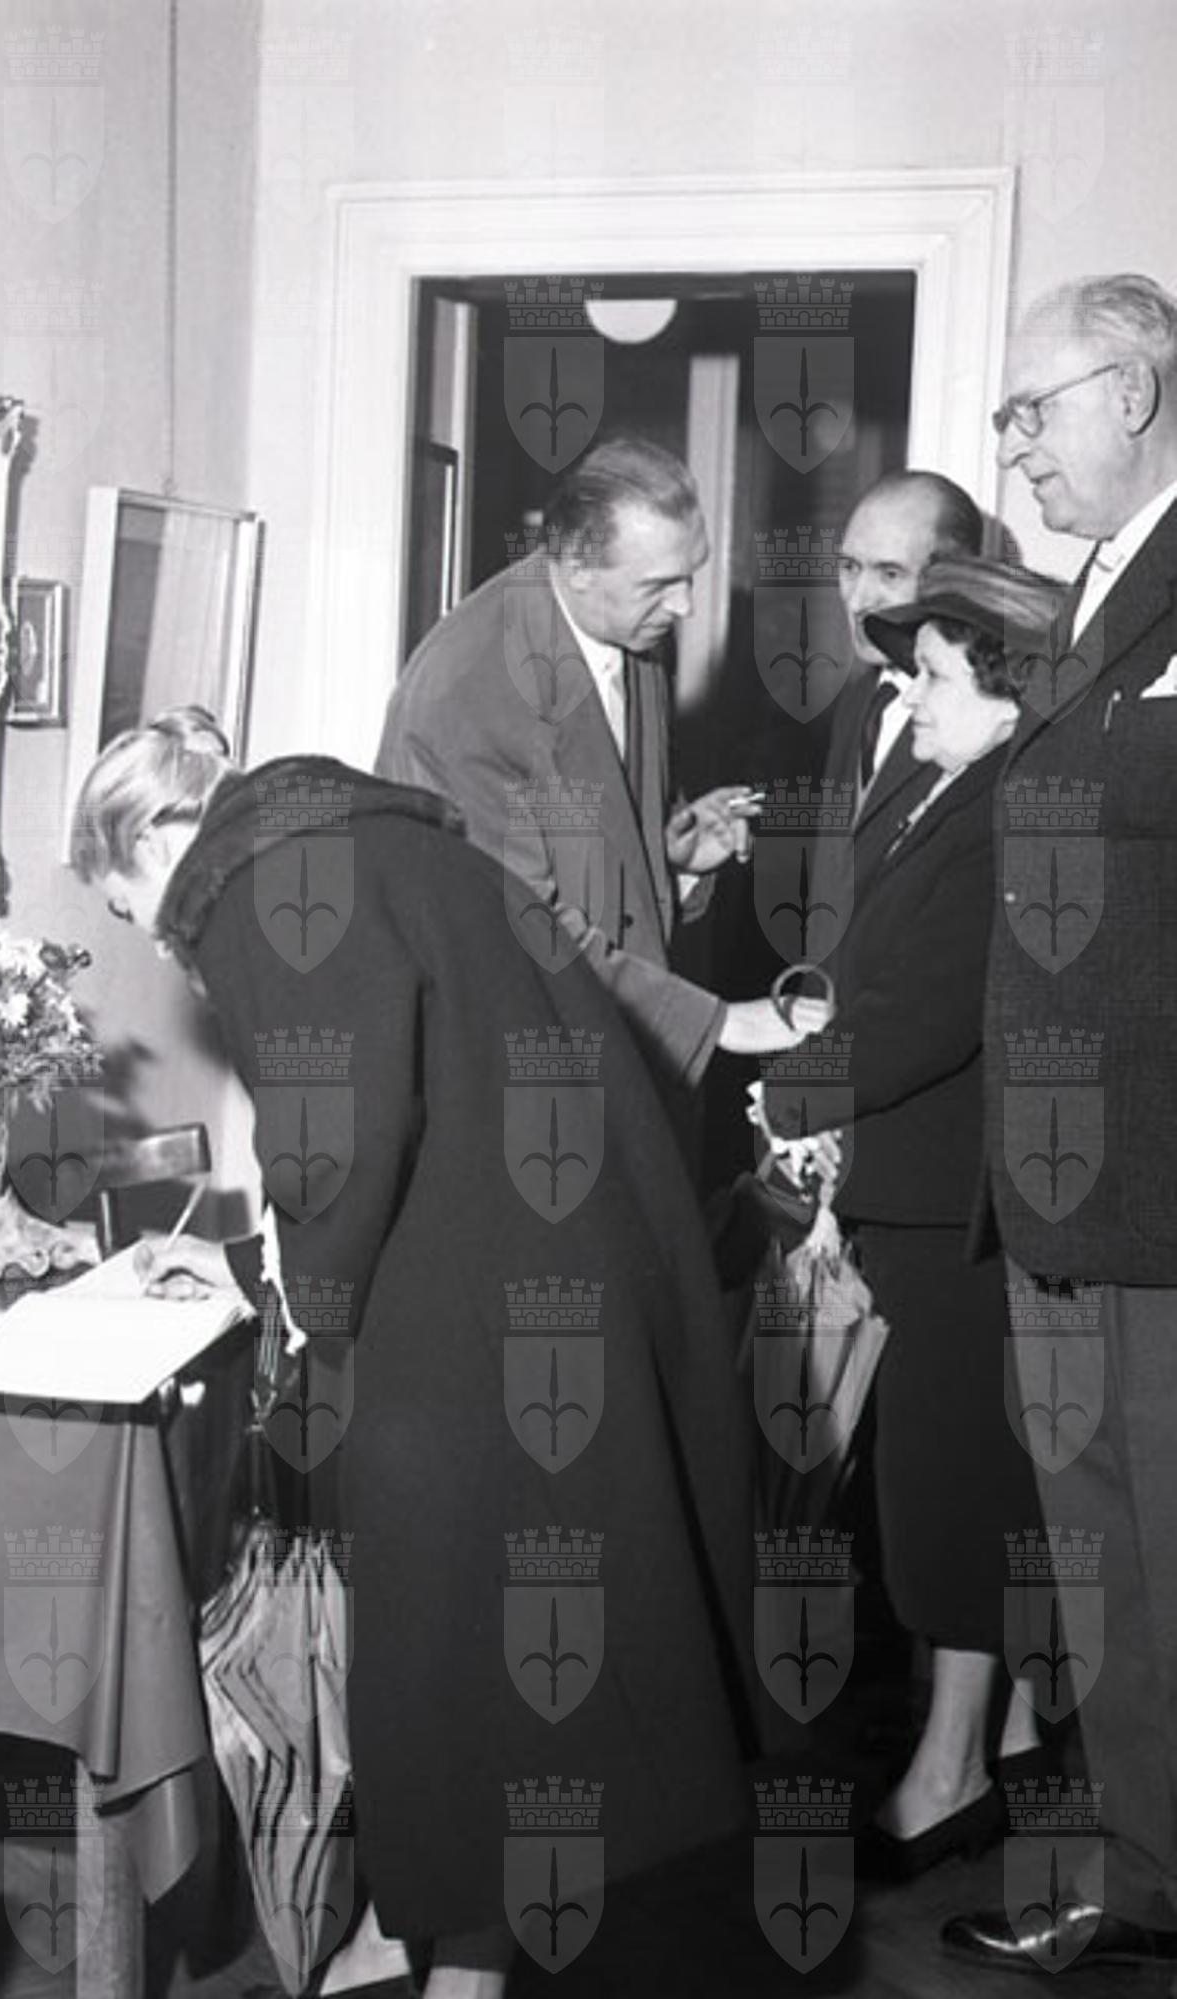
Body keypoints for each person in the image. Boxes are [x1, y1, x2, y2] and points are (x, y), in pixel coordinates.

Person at [74, 708, 784, 1998]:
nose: (160, 941)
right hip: (554, 1276)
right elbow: (409, 1098)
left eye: (133, 909)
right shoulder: (361, 834)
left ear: (151, 843)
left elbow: (335, 1143)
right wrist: (252, 1267)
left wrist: (288, 1305)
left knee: (448, 1661)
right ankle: (418, 1938)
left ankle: (451, 1964)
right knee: (492, 1657)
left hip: (484, 1326)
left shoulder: (254, 887)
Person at [757, 557, 1061, 1882]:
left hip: (957, 1213)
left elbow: (924, 1012)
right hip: (919, 1196)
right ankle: (990, 1757)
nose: (910, 693)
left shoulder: (1000, 815)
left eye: (932, 674)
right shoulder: (952, 792)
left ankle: (947, 1780)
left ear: (1005, 693)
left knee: (948, 1497)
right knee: (951, 1491)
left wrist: (783, 1093)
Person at [944, 273, 1177, 1975]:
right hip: (1052, 1202)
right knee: (1104, 1579)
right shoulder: (1083, 603)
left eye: (1033, 408)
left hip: (1160, 1197)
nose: (1010, 445)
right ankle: (1144, 1885)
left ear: (1136, 395)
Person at [376, 435, 821, 1091]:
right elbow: (517, 929)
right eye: (660, 585)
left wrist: (672, 859)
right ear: (578, 566)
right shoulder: (468, 693)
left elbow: (600, 835)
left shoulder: (622, 624)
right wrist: (717, 1022)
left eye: (690, 575)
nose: (685, 607)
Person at [825, 470, 986, 827]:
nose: (857, 601)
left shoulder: (983, 719)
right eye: (849, 567)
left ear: (956, 582)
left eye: (890, 574)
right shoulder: (857, 700)